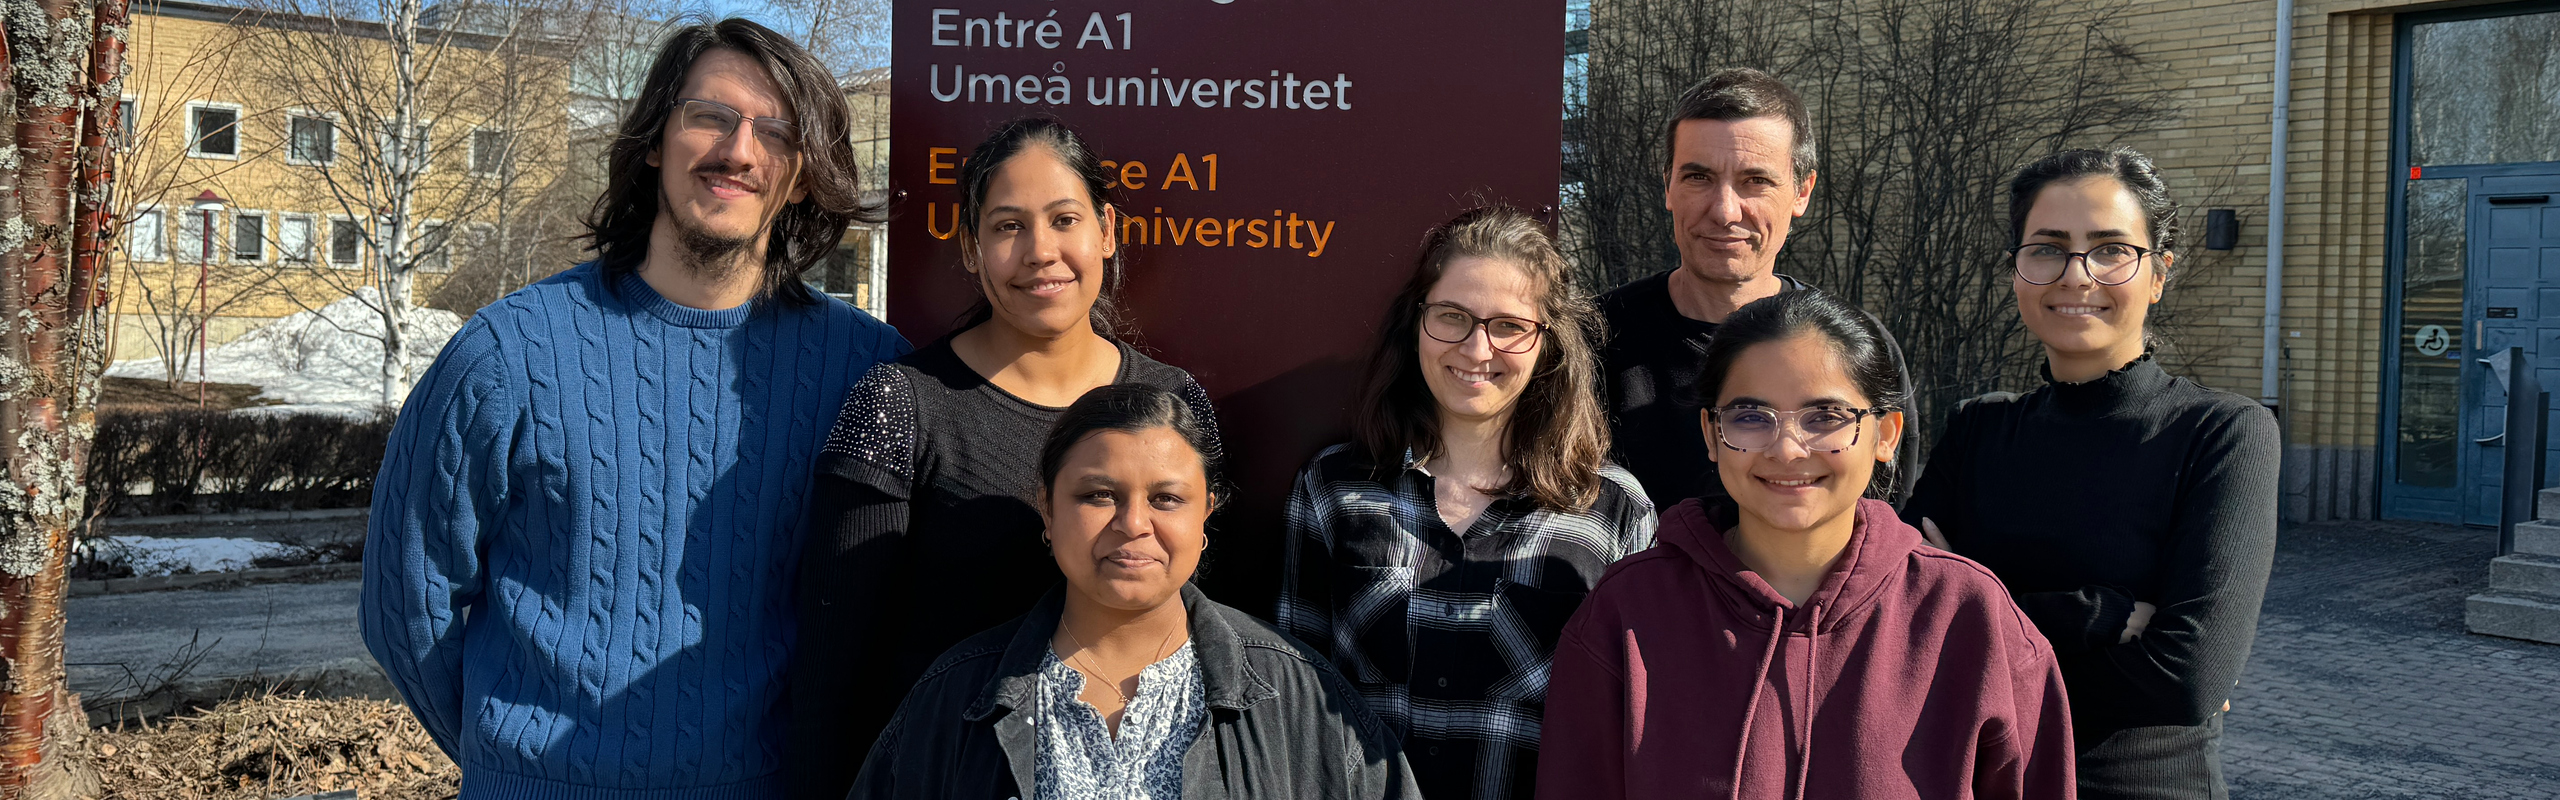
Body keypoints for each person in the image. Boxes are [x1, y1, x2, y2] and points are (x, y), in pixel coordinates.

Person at [360, 18, 908, 799]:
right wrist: (528, 764)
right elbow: (405, 609)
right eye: (710, 117)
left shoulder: (866, 370)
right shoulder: (506, 353)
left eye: (775, 132)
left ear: (802, 174)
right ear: (655, 139)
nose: (738, 151)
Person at [788, 118, 1222, 799]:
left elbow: (1211, 629)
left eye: (1064, 219)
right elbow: (830, 671)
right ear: (970, 246)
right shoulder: (902, 405)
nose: (1040, 251)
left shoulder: (1175, 406)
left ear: (1106, 231)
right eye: (1008, 226)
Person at [1538, 290, 2076, 799]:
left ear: (1886, 435)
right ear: (1709, 434)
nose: (1788, 450)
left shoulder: (1971, 618)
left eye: (1825, 417)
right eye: (1750, 417)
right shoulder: (1627, 615)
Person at [1901, 148, 2278, 800]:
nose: (2077, 276)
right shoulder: (1978, 431)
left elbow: (2187, 678)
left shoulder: (2220, 434)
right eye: (2047, 249)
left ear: (2158, 274)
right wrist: (2092, 615)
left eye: (2110, 250)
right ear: (2017, 272)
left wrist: (1978, 631)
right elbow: (1902, 627)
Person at [849, 385, 1419, 799]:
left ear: (1206, 515)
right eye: (1098, 495)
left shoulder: (1298, 697)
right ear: (1047, 510)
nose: (1133, 523)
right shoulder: (955, 699)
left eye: (1166, 499)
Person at [1276, 206, 1656, 800]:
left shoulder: (1612, 511)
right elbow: (1290, 699)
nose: (1477, 347)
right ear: (1418, 323)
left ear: (1547, 342)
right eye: (1452, 316)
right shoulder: (1333, 488)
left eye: (1508, 325)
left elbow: (1632, 724)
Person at [1600, 68, 1915, 509]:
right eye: (1698, 178)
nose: (1725, 211)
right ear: (1667, 184)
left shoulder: (1853, 347)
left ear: (1802, 192)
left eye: (1756, 181)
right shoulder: (1588, 341)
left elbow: (1880, 518)